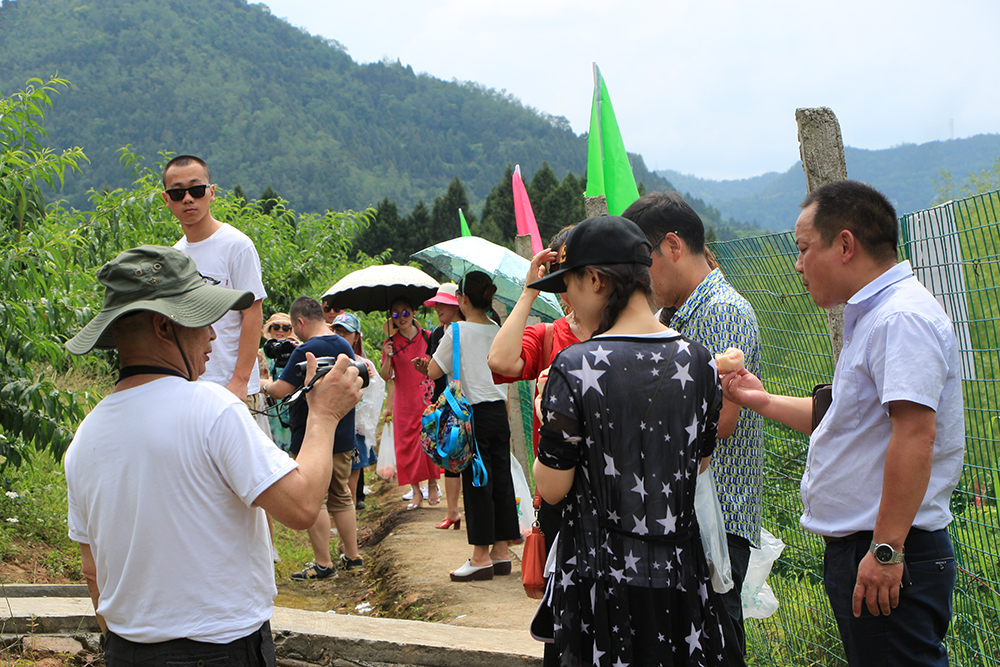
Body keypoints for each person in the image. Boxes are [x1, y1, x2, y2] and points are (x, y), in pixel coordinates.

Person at [63, 245, 362, 666]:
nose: (212, 336)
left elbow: (92, 571)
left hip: (125, 651)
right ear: (165, 326)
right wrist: (324, 415)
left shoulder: (85, 437)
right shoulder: (210, 407)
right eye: (202, 319)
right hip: (219, 650)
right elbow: (301, 507)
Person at [721, 180, 964, 667]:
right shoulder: (874, 318)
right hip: (873, 548)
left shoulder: (900, 319)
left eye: (804, 248)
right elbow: (848, 421)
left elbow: (915, 435)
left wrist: (886, 551)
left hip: (890, 550)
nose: (798, 265)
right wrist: (760, 400)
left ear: (845, 245)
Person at [528, 216, 730, 665]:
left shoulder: (573, 366)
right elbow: (697, 464)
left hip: (597, 585)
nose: (568, 302)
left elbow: (553, 488)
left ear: (595, 280)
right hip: (678, 582)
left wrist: (546, 416)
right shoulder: (700, 362)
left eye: (569, 286)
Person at [623, 191, 762, 661]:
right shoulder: (679, 315)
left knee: (716, 644)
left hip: (716, 517)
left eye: (643, 261)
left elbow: (720, 422)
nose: (640, 277)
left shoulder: (721, 311)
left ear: (672, 246)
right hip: (687, 514)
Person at [427, 271, 520, 582]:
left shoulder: (455, 331)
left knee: (478, 482)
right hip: (498, 413)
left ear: (463, 299)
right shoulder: (498, 330)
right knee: (501, 480)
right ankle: (501, 552)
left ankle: (480, 557)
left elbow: (433, 370)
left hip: (473, 416)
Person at [265, 297, 364, 579]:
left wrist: (264, 385)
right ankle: (352, 556)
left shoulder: (305, 350)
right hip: (342, 432)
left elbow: (281, 390)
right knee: (341, 495)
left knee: (316, 498)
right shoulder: (343, 345)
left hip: (312, 435)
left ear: (300, 322)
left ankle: (323, 564)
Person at [165, 156, 267, 415]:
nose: (188, 199)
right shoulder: (174, 256)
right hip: (190, 390)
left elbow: (253, 314)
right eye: (178, 193)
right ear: (167, 200)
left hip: (233, 389)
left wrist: (240, 381)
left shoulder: (236, 245)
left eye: (196, 190)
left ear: (211, 193)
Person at [379, 297, 441, 509]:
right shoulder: (390, 343)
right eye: (396, 314)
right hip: (404, 402)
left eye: (405, 312)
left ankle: (432, 484)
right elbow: (386, 376)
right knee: (406, 447)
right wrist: (388, 356)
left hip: (427, 397)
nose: (401, 317)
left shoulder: (428, 337)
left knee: (430, 441)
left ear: (414, 312)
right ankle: (415, 491)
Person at [413, 283, 466, 529]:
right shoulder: (437, 334)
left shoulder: (464, 331)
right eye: (436, 304)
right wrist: (425, 368)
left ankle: (469, 510)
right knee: (449, 456)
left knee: (467, 454)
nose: (438, 309)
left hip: (463, 400)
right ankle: (453, 511)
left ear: (457, 305)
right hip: (443, 401)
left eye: (443, 304)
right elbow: (434, 369)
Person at [331, 311, 385, 509]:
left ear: (356, 337)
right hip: (331, 428)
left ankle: (348, 518)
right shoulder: (325, 362)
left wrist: (368, 380)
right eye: (336, 331)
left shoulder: (365, 365)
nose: (340, 336)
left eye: (345, 332)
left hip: (354, 431)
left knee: (350, 482)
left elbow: (374, 398)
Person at [260, 312, 296, 452]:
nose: (280, 330)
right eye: (276, 327)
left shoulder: (296, 353)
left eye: (286, 328)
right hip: (266, 405)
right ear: (269, 329)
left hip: (288, 405)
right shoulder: (259, 354)